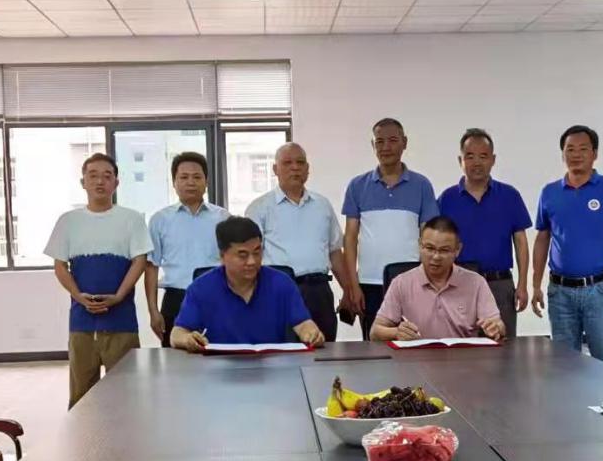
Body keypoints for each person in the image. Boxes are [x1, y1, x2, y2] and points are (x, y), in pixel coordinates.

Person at [45, 152, 152, 408]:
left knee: (126, 396)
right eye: (93, 176)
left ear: (117, 183)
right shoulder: (68, 221)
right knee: (81, 396)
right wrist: (79, 297)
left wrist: (119, 296)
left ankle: (126, 436)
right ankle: (83, 437)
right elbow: (60, 266)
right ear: (83, 182)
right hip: (82, 323)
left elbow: (140, 261)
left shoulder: (132, 219)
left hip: (122, 321)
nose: (100, 181)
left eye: (107, 176)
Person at [531, 125, 603, 365]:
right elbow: (542, 239)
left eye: (583, 149)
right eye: (570, 149)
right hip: (560, 292)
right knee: (564, 366)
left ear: (594, 154)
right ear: (562, 154)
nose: (576, 155)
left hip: (601, 290)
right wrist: (535, 284)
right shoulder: (549, 192)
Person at [245, 142, 354, 342]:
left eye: (300, 162)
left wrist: (348, 290)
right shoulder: (259, 208)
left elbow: (334, 252)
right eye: (287, 163)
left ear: (308, 169)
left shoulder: (322, 205)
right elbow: (250, 257)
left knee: (323, 350)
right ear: (275, 169)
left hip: (319, 291)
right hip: (278, 292)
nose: (295, 167)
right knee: (282, 354)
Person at [342, 118, 439, 340]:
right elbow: (350, 238)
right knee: (374, 346)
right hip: (369, 284)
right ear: (373, 145)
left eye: (393, 140)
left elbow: (429, 237)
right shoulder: (357, 186)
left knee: (414, 341)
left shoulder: (422, 185)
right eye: (380, 142)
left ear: (405, 143)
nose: (386, 147)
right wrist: (352, 285)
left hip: (412, 282)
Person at [169, 217, 325, 353]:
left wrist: (311, 333)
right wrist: (187, 339)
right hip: (219, 370)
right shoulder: (201, 288)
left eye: (257, 252)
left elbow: (303, 324)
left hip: (272, 368)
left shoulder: (282, 283)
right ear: (222, 256)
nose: (252, 261)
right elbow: (176, 334)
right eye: (242, 255)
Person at [437, 128, 532, 336]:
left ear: (493, 160)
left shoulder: (509, 196)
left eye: (483, 156)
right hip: (459, 285)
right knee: (460, 348)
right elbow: (437, 245)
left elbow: (521, 242)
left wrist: (523, 284)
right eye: (470, 156)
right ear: (460, 160)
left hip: (499, 285)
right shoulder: (447, 199)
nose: (477, 162)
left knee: (503, 348)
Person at [370, 216, 505, 342]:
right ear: (420, 245)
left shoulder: (476, 283)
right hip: (416, 358)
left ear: (457, 250)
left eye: (444, 250)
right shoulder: (401, 283)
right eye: (430, 248)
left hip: (464, 357)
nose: (436, 257)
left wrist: (496, 328)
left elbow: (499, 326)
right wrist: (396, 333)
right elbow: (375, 332)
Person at [145, 152, 228, 346]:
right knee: (175, 359)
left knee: (218, 356)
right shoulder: (160, 220)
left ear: (206, 182)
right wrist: (153, 311)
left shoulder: (223, 218)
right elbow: (151, 267)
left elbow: (232, 262)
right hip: (176, 299)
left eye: (197, 177)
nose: (191, 182)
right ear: (174, 182)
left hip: (215, 297)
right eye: (184, 177)